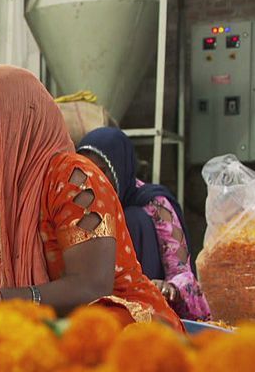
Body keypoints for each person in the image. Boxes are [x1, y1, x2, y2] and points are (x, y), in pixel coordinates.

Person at [0, 65, 181, 330]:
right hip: (16, 326)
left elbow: (91, 287)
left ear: (8, 117)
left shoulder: (72, 178)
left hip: (106, 319)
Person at [76, 127, 211, 321]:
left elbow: (182, 272)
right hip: (100, 307)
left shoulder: (154, 204)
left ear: (119, 167)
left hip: (152, 306)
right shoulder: (80, 202)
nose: (93, 179)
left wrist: (168, 287)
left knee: (132, 218)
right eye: (86, 171)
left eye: (101, 171)